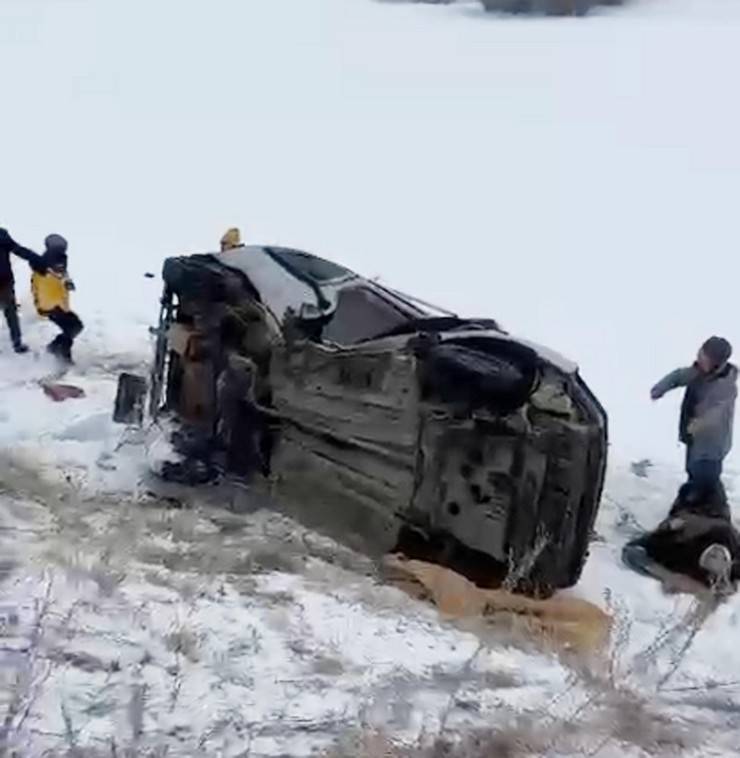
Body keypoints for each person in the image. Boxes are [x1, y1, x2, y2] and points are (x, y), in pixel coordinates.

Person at [651, 337, 737, 494]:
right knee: (693, 470)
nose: (699, 358)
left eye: (704, 357)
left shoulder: (725, 386)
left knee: (706, 477)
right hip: (695, 438)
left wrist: (697, 425)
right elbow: (678, 376)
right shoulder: (699, 372)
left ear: (716, 364)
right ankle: (696, 501)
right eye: (700, 353)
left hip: (712, 445)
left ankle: (708, 508)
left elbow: (717, 413)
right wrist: (661, 388)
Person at [31, 234, 84, 365]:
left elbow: (63, 274)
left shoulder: (58, 261)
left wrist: (67, 282)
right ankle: (62, 355)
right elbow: (40, 284)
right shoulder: (44, 265)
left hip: (59, 304)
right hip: (51, 305)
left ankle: (54, 348)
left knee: (75, 326)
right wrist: (44, 307)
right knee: (72, 328)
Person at [0, 227, 46, 354]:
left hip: (4, 283)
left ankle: (17, 344)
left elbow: (18, 250)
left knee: (11, 314)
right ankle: (17, 344)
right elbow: (18, 250)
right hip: (5, 282)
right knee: (11, 314)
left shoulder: (1, 235)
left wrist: (37, 259)